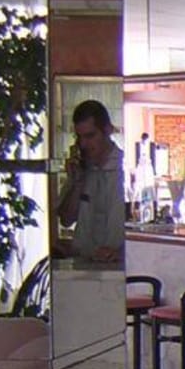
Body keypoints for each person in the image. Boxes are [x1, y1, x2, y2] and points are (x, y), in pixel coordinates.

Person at [56, 100, 125, 264]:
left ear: (107, 130)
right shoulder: (81, 170)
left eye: (90, 136)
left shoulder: (124, 167)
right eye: (79, 137)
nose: (84, 144)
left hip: (117, 266)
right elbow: (66, 220)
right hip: (83, 262)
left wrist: (121, 253)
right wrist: (77, 183)